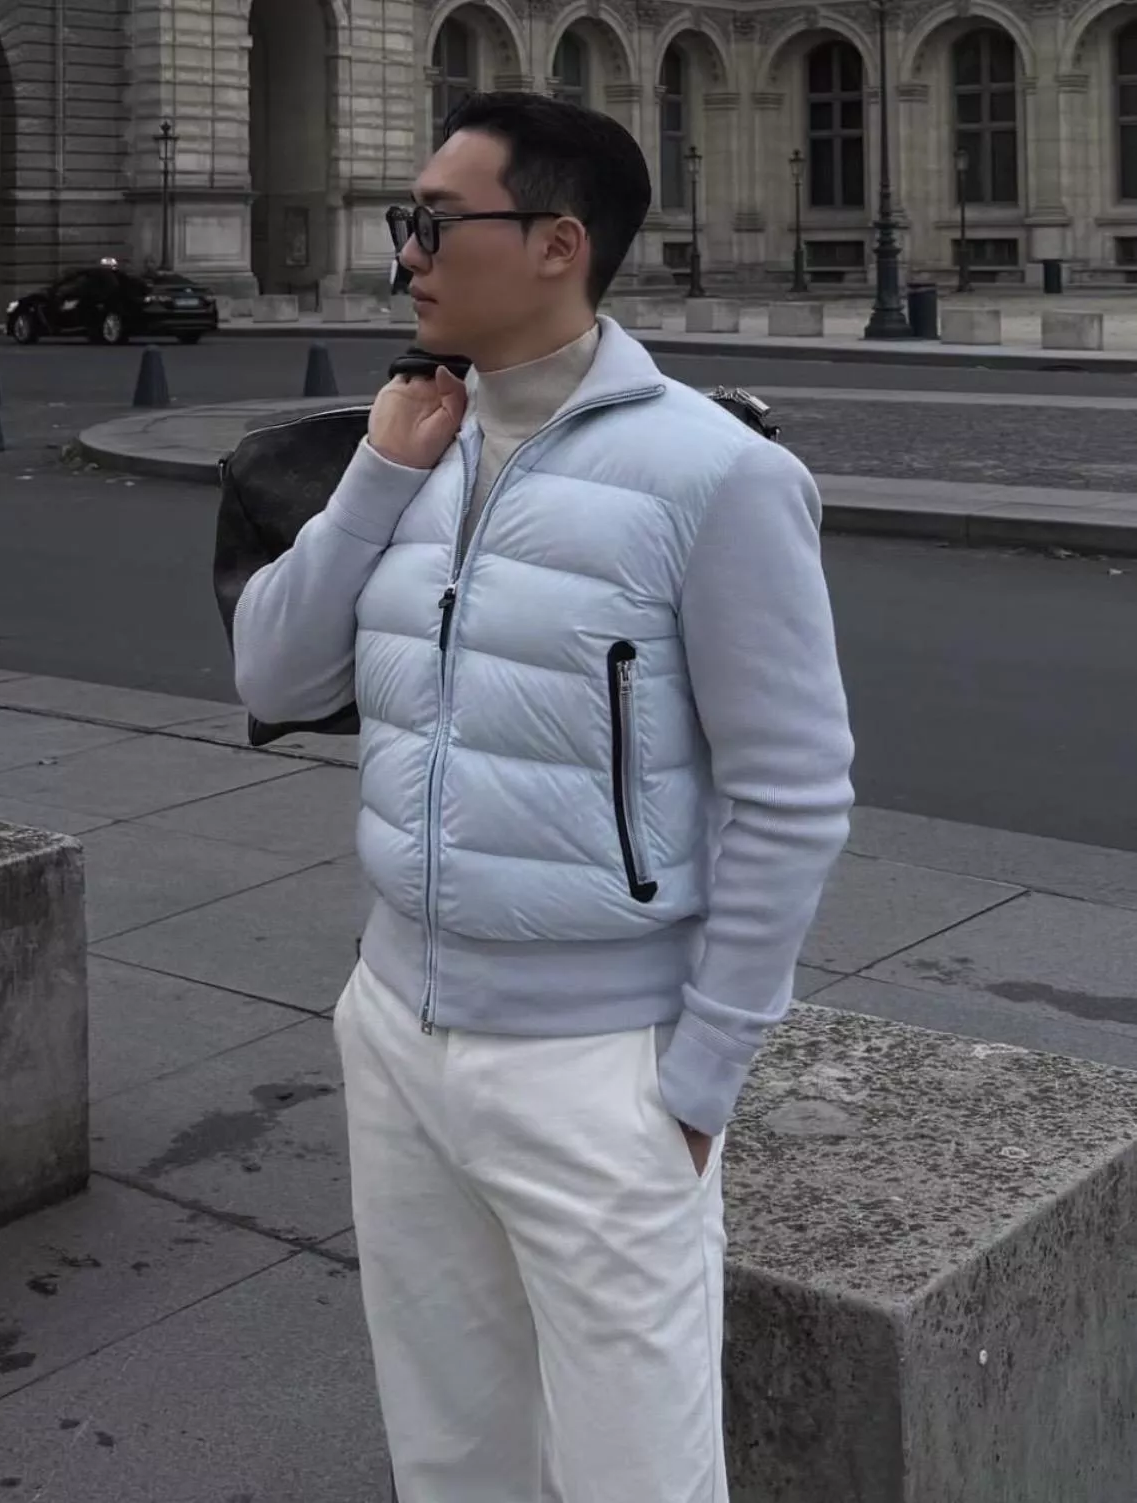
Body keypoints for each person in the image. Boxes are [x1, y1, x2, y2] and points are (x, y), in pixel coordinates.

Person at [232, 90, 855, 1503]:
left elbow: (794, 792)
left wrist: (700, 1078)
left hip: (599, 1064)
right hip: (395, 1025)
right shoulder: (414, 444)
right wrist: (374, 479)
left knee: (637, 1472)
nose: (407, 254)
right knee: (451, 1453)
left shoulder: (718, 476)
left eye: (435, 222)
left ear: (559, 244)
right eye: (407, 223)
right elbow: (271, 670)